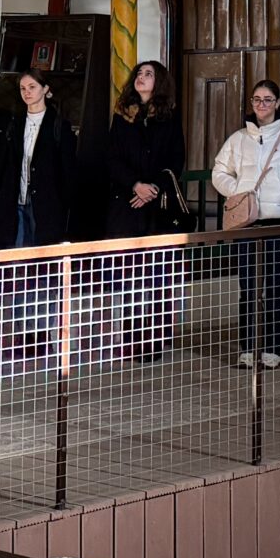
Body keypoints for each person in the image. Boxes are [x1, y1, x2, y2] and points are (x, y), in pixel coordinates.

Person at [0, 66, 74, 361]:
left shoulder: (59, 125)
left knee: (45, 270)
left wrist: (62, 207)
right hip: (15, 204)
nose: (27, 93)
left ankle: (43, 334)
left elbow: (67, 173)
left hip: (45, 208)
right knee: (16, 268)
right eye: (23, 88)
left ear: (46, 90)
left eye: (32, 87)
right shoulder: (13, 123)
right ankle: (19, 334)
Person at [214, 80, 280, 368]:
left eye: (267, 99)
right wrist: (239, 191)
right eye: (256, 99)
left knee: (276, 285)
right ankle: (248, 347)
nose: (261, 105)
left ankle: (273, 348)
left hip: (279, 221)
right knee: (249, 287)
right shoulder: (238, 139)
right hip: (246, 222)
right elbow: (219, 171)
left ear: (277, 103)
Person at [101, 61, 186, 362]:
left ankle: (156, 338)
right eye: (139, 73)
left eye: (148, 74)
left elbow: (176, 160)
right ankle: (130, 339)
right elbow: (111, 158)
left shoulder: (169, 118)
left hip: (157, 209)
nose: (141, 77)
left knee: (158, 276)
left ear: (159, 81)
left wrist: (153, 188)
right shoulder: (122, 116)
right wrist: (135, 185)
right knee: (127, 277)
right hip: (126, 205)